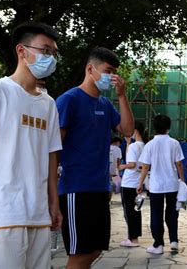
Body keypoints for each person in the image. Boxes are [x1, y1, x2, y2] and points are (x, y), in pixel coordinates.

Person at [56, 47, 134, 268]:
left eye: (115, 72)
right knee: (80, 252)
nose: (113, 77)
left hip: (100, 187)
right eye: (108, 71)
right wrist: (50, 189)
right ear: (91, 69)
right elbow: (54, 147)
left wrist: (122, 95)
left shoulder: (106, 104)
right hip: (76, 188)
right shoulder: (68, 100)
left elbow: (127, 131)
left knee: (97, 248)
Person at [0, 21, 62, 268]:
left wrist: (54, 204)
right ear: (22, 51)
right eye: (45, 50)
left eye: (54, 53)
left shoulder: (48, 104)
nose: (51, 58)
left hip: (39, 213)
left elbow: (52, 156)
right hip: (3, 213)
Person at [137, 115, 186, 255]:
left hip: (156, 186)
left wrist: (140, 183)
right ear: (168, 127)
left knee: (156, 214)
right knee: (172, 213)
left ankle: (158, 244)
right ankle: (174, 241)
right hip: (172, 184)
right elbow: (179, 164)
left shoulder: (150, 145)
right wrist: (182, 180)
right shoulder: (174, 143)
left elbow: (145, 167)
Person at [118, 121, 146, 248]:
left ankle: (132, 238)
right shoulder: (144, 145)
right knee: (136, 210)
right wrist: (128, 143)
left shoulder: (134, 147)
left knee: (128, 211)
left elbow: (131, 164)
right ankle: (135, 236)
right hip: (138, 182)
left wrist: (120, 166)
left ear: (135, 130)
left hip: (128, 182)